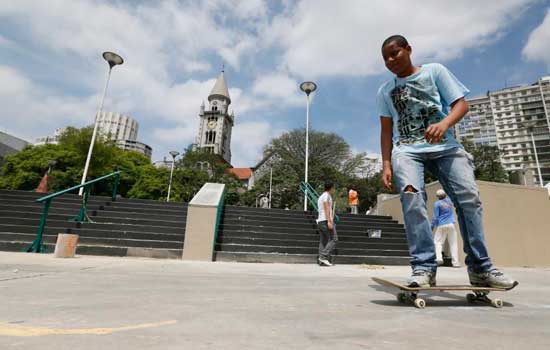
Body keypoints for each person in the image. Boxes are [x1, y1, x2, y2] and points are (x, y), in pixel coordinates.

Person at [377, 34, 517, 288]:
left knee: (469, 199)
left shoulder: (434, 71)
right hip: (407, 150)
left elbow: (461, 106)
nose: (389, 60)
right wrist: (386, 165)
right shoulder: (385, 91)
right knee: (412, 198)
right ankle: (423, 268)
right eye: (385, 58)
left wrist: (444, 124)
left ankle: (481, 268)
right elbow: (386, 130)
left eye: (394, 53)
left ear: (409, 49)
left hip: (446, 147)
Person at [432, 189, 460, 267]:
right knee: (453, 243)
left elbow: (435, 217)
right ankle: (456, 263)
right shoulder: (450, 201)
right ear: (445, 195)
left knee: (437, 242)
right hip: (451, 224)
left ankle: (439, 258)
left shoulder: (437, 204)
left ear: (438, 197)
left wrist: (432, 226)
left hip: (442, 225)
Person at [317, 182, 337, 266]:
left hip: (320, 220)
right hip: (325, 220)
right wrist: (329, 221)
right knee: (334, 238)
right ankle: (323, 257)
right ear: (331, 188)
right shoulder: (326, 196)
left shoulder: (321, 196)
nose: (334, 190)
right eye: (334, 188)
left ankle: (321, 259)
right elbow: (326, 208)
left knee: (323, 240)